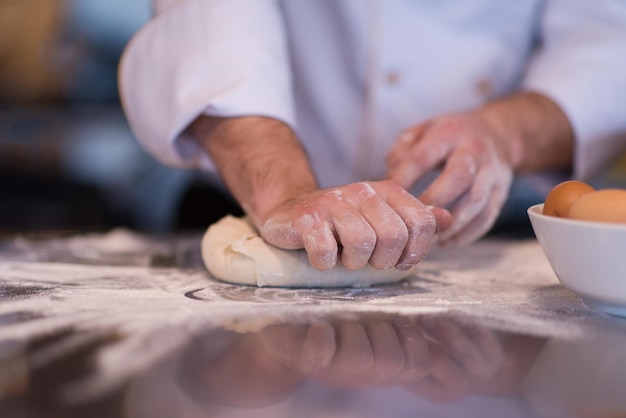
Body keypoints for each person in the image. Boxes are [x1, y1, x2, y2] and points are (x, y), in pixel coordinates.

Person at [119, 0, 626, 273]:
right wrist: (283, 192)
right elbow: (212, 19)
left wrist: (503, 133)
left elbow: (607, 39)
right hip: (253, 211)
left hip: (481, 241)